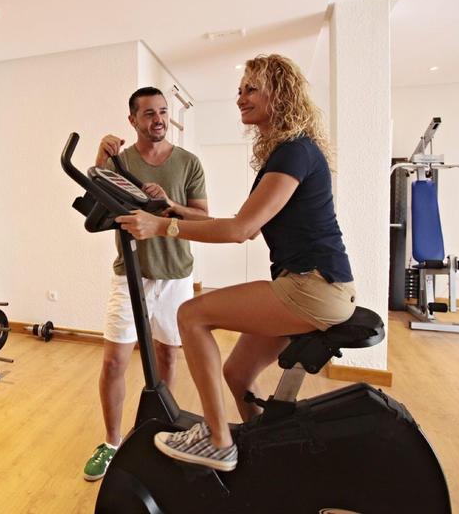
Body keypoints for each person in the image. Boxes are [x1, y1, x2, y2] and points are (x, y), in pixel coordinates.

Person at [115, 55, 356, 472]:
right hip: (312, 286)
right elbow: (244, 224)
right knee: (238, 373)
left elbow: (241, 229)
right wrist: (174, 209)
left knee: (191, 314)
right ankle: (267, 455)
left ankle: (218, 441)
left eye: (251, 89)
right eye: (240, 90)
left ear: (279, 94)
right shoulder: (289, 152)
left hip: (312, 288)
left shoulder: (294, 152)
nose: (241, 97)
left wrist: (162, 227)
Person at [83, 86, 208, 481]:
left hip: (175, 275)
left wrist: (170, 204)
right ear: (133, 119)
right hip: (130, 274)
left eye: (163, 112)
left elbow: (203, 218)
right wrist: (100, 159)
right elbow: (93, 204)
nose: (159, 119)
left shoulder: (188, 163)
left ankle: (161, 431)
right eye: (149, 113)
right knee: (113, 361)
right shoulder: (119, 161)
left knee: (168, 357)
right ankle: (111, 442)